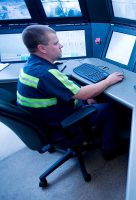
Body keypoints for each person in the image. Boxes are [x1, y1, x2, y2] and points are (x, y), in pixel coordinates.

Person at [17, 25, 124, 160]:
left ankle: (93, 134)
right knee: (109, 108)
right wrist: (108, 81)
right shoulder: (46, 73)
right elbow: (82, 94)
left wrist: (86, 95)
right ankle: (109, 150)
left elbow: (64, 89)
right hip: (60, 124)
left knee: (92, 96)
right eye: (55, 43)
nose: (61, 45)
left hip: (43, 120)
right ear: (42, 48)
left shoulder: (30, 66)